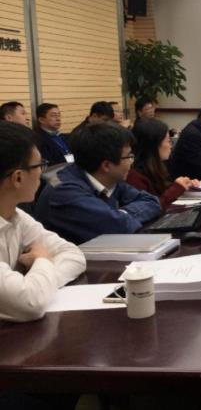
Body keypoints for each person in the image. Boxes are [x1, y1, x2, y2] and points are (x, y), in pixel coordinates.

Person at [0, 121, 86, 322]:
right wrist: (43, 260)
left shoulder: (17, 216)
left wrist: (38, 282)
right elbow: (31, 303)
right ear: (18, 178)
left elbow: (74, 255)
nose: (42, 172)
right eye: (40, 165)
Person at [37, 122, 161, 244]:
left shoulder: (109, 178)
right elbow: (118, 226)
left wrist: (121, 214)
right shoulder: (64, 192)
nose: (131, 162)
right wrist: (120, 217)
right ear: (106, 165)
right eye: (129, 157)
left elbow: (152, 202)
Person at [128, 118, 199, 209]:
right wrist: (177, 188)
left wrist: (185, 186)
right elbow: (148, 210)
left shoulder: (159, 166)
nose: (171, 145)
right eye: (168, 141)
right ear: (154, 144)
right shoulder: (134, 177)